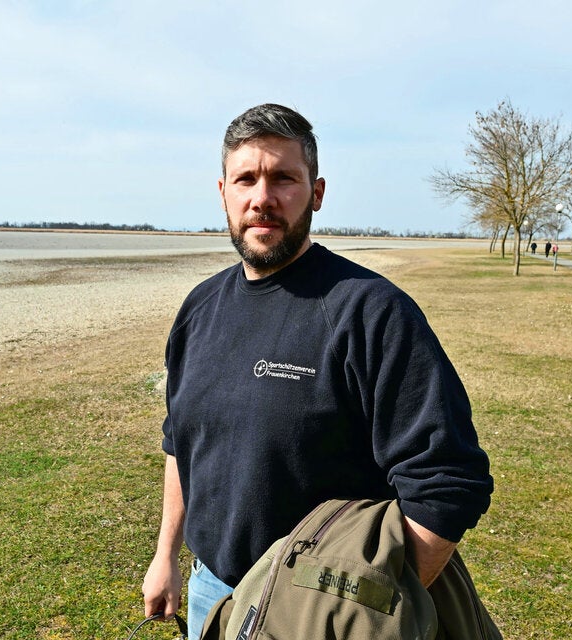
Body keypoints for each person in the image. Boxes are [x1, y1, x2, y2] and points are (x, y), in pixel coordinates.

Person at [142, 103, 494, 638]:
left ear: (318, 192)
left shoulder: (370, 312)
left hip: (314, 612)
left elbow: (448, 483)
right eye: (246, 179)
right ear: (223, 194)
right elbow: (180, 445)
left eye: (284, 177)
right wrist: (166, 554)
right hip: (210, 592)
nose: (263, 198)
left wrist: (364, 612)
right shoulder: (200, 308)